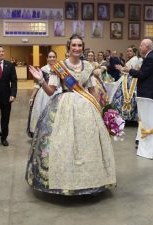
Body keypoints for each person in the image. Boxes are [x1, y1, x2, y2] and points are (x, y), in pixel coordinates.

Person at [25, 34, 116, 195]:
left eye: (79, 45)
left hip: (86, 108)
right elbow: (50, 91)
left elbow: (93, 91)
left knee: (87, 144)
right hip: (63, 108)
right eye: (74, 45)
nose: (77, 48)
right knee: (63, 143)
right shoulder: (59, 67)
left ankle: (90, 181)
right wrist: (41, 80)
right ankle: (63, 180)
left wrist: (101, 110)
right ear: (69, 47)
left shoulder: (88, 66)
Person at [26, 50, 62, 137]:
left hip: (58, 93)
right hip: (44, 94)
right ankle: (43, 134)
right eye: (50, 57)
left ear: (56, 58)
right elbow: (38, 84)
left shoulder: (60, 68)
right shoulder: (43, 69)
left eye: (54, 57)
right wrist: (32, 96)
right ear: (47, 59)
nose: (52, 58)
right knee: (43, 113)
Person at [111, 46, 142, 122]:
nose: (128, 52)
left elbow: (132, 70)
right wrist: (122, 69)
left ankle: (129, 115)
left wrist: (121, 68)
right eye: (127, 51)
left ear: (134, 52)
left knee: (129, 97)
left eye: (130, 51)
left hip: (131, 81)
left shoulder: (134, 59)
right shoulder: (131, 59)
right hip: (126, 79)